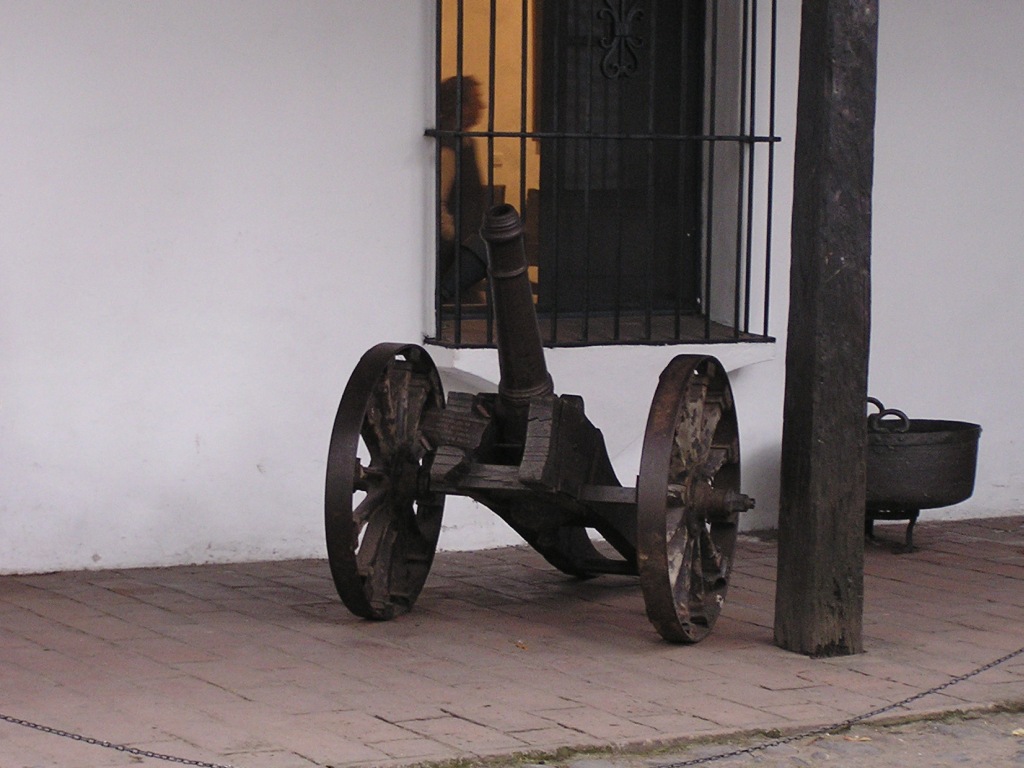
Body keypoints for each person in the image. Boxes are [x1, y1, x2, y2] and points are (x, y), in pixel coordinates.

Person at [437, 75, 490, 303]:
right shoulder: (450, 142)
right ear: (460, 105)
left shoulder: (465, 140)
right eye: (475, 100)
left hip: (463, 242)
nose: (482, 106)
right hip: (453, 248)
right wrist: (450, 234)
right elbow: (440, 196)